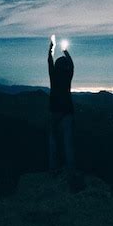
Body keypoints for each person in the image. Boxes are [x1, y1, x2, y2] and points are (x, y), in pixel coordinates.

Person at [47, 36, 75, 178]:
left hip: (54, 111)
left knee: (53, 140)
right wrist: (65, 50)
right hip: (67, 111)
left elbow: (49, 61)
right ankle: (70, 170)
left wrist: (52, 46)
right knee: (67, 142)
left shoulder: (53, 75)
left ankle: (53, 169)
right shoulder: (68, 75)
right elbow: (72, 64)